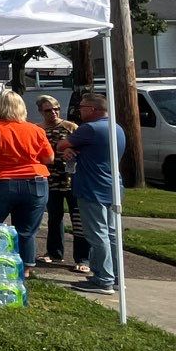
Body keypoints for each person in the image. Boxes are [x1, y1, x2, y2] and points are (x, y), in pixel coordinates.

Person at [0, 89, 52, 277]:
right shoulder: (36, 130)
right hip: (35, 182)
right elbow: (49, 158)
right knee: (26, 231)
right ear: (22, 108)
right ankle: (25, 269)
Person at [59, 92, 126, 296]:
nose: (79, 111)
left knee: (97, 234)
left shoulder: (90, 128)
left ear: (92, 109)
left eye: (82, 107)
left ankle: (103, 280)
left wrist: (71, 149)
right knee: (111, 233)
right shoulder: (117, 128)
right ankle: (114, 276)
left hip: (92, 186)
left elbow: (61, 145)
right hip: (112, 186)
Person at [37, 94, 88, 271]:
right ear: (41, 112)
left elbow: (82, 148)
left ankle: (82, 258)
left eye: (56, 109)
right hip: (50, 179)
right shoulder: (38, 129)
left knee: (78, 219)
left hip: (71, 179)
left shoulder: (71, 127)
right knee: (54, 217)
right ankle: (54, 252)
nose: (53, 113)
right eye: (48, 110)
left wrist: (72, 151)